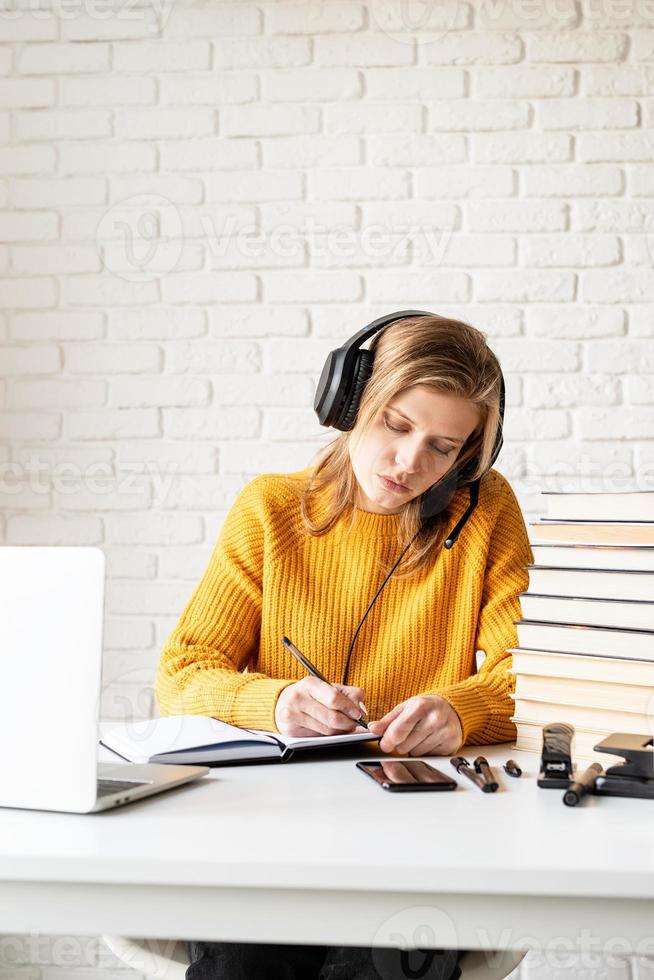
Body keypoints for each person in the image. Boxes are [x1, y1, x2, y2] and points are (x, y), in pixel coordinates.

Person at [155, 312, 533, 980]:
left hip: (420, 830)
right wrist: (275, 704)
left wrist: (460, 711)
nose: (412, 462)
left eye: (444, 448)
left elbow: (531, 678)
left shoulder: (487, 511)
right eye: (396, 424)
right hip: (274, 826)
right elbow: (183, 674)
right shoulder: (268, 509)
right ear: (350, 401)